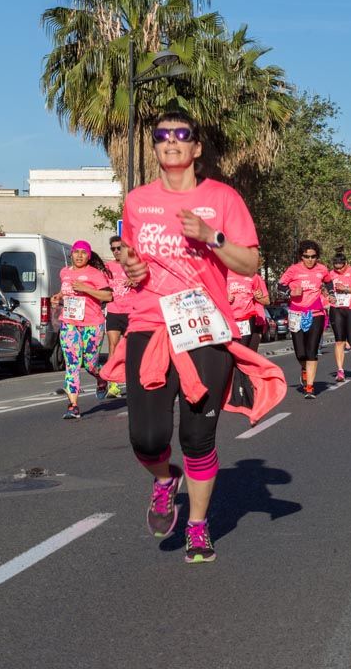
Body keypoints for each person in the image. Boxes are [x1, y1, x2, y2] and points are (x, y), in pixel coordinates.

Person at [107, 110, 282, 563]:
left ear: (196, 147)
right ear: (155, 146)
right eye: (162, 135)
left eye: (181, 135)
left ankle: (198, 526)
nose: (171, 142)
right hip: (150, 323)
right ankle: (165, 479)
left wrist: (211, 234)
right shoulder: (138, 201)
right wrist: (133, 266)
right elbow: (132, 258)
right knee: (146, 437)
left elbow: (247, 264)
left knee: (199, 436)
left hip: (204, 325)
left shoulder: (222, 198)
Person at [53, 241, 113, 419]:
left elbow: (108, 295)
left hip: (92, 324)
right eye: (76, 252)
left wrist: (86, 288)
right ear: (71, 254)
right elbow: (66, 291)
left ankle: (101, 378)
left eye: (83, 253)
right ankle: (73, 406)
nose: (79, 256)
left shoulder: (95, 274)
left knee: (90, 363)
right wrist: (58, 296)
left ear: (89, 255)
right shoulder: (64, 272)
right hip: (69, 323)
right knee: (72, 364)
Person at [279, 241, 331, 399]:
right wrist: (290, 292)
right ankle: (304, 370)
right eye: (306, 257)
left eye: (313, 257)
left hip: (316, 313)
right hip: (296, 314)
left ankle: (310, 387)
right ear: (301, 256)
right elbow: (279, 286)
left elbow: (329, 283)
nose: (310, 260)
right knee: (300, 353)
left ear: (317, 257)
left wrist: (332, 294)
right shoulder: (293, 270)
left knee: (311, 351)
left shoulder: (322, 269)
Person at [226, 255, 270, 407]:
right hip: (230, 321)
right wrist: (226, 297)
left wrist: (258, 298)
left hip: (251, 320)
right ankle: (238, 391)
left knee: (247, 357)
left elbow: (266, 300)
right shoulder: (224, 275)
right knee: (235, 357)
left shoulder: (254, 277)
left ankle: (247, 391)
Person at [104, 235, 135, 398]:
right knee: (113, 347)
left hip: (131, 311)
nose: (116, 251)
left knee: (131, 348)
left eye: (119, 248)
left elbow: (144, 281)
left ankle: (133, 380)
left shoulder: (133, 265)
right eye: (113, 249)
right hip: (114, 311)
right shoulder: (107, 267)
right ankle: (113, 384)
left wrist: (134, 280)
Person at [328, 251, 351, 382]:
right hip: (337, 308)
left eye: (341, 267)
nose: (338, 270)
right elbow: (326, 290)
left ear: (346, 264)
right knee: (339, 340)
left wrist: (345, 289)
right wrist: (330, 296)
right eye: (336, 267)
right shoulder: (331, 274)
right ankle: (340, 371)